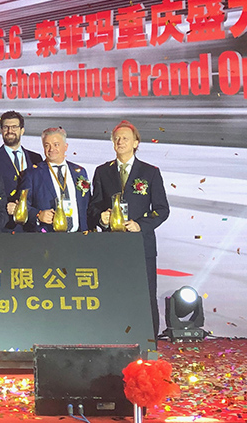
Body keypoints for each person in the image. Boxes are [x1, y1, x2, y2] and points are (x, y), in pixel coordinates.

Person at [90, 120, 170, 338]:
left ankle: (149, 341)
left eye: (125, 138)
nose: (120, 142)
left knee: (145, 295)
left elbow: (162, 209)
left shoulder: (150, 172)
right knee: (113, 294)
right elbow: (94, 206)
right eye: (116, 138)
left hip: (141, 245)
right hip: (112, 245)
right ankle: (114, 339)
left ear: (136, 143)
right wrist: (101, 218)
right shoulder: (102, 172)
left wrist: (140, 225)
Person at [0, 111, 42, 231]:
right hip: (5, 226)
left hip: (32, 227)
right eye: (6, 127)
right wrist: (5, 206)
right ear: (1, 130)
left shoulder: (36, 158)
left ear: (22, 130)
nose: (10, 131)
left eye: (14, 127)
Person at [27, 127, 92, 232]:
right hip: (48, 236)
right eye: (47, 145)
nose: (51, 149)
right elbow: (23, 206)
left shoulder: (79, 172)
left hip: (79, 236)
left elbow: (88, 204)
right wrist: (38, 215)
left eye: (56, 145)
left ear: (65, 147)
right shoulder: (33, 174)